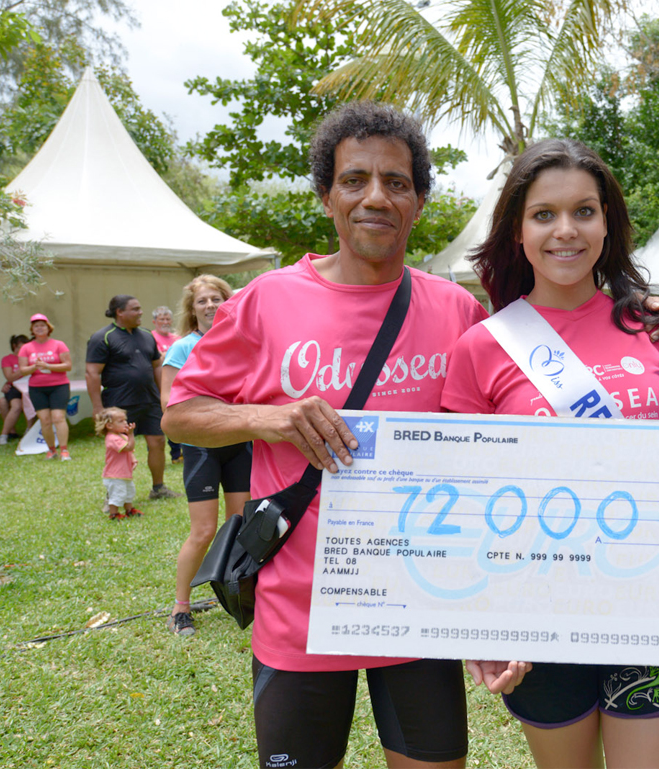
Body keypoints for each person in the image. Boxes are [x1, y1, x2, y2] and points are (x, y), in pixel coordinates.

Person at [162, 101, 489, 769]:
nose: (376, 196)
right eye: (355, 179)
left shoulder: (456, 309)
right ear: (326, 195)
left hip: (417, 605)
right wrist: (267, 417)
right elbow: (180, 410)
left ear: (419, 201)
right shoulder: (264, 300)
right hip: (299, 611)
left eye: (397, 182)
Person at [441, 138, 659, 769]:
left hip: (651, 601)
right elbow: (465, 494)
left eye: (584, 211)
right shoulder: (483, 346)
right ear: (517, 230)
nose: (566, 231)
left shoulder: (653, 328)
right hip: (538, 611)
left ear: (608, 223)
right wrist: (481, 622)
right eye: (544, 214)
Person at [159, 275, 252, 637]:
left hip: (240, 442)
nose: (210, 305)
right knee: (203, 530)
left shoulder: (241, 342)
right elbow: (168, 401)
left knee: (238, 526)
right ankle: (180, 608)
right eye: (203, 301)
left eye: (216, 299)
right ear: (192, 308)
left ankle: (231, 590)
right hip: (201, 448)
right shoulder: (182, 348)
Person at [86, 295, 180, 499]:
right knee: (120, 449)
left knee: (157, 442)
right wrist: (97, 407)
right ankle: (114, 496)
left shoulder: (147, 335)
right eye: (135, 309)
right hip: (119, 404)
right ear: (120, 312)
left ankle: (159, 489)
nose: (141, 312)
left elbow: (157, 366)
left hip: (149, 400)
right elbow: (92, 373)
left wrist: (164, 395)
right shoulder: (103, 337)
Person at [17, 314, 73, 460]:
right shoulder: (26, 348)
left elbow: (68, 365)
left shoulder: (59, 344)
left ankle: (64, 450)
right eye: (36, 326)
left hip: (59, 386)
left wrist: (48, 366)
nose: (40, 328)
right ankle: (51, 450)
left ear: (49, 328)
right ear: (32, 330)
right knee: (45, 420)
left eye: (42, 325)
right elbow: (22, 370)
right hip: (37, 388)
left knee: (58, 417)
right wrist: (34, 367)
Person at [150, 305, 183, 464]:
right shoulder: (151, 338)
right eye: (161, 319)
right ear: (154, 321)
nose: (165, 322)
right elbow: (157, 360)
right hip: (161, 386)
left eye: (167, 319)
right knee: (168, 417)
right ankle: (175, 453)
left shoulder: (178, 338)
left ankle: (182, 451)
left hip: (181, 384)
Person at [96, 407, 142, 520]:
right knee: (117, 494)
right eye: (120, 421)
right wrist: (131, 434)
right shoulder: (112, 438)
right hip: (114, 474)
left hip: (124, 473)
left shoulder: (121, 436)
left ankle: (129, 509)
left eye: (125, 420)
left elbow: (129, 451)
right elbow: (129, 446)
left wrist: (133, 459)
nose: (125, 423)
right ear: (109, 426)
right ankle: (114, 513)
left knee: (128, 492)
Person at [0, 334, 29, 445]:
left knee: (28, 403)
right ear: (14, 346)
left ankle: (28, 431)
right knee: (15, 404)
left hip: (28, 388)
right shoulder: (7, 359)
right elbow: (10, 377)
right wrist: (24, 369)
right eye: (21, 347)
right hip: (14, 388)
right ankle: (6, 434)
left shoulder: (29, 358)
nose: (23, 350)